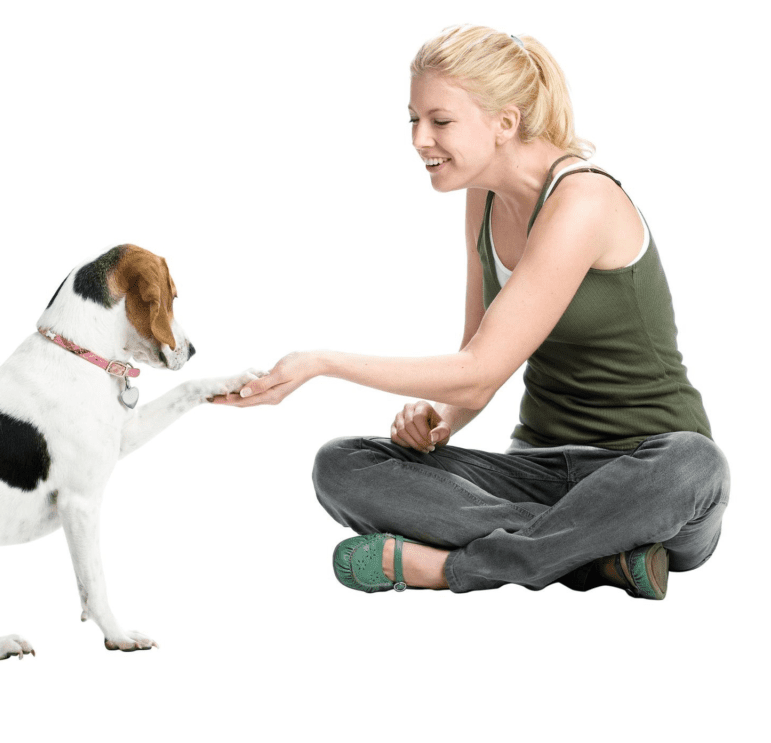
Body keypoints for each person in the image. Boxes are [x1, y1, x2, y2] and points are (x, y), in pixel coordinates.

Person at [213, 25, 729, 599]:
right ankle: (590, 558)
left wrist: (321, 363)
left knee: (695, 463)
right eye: (412, 119)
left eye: (440, 120)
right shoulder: (483, 197)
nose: (418, 138)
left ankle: (446, 568)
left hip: (648, 474)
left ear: (504, 123)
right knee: (341, 466)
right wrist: (439, 421)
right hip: (535, 471)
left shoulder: (584, 200)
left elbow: (480, 369)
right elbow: (474, 376)